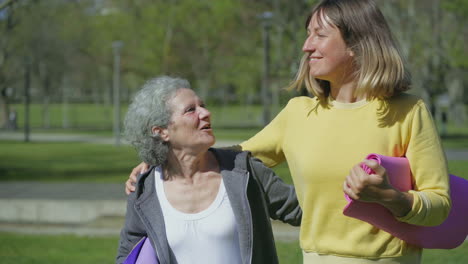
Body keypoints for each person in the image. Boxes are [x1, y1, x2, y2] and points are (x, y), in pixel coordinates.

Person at [126, 0, 451, 263]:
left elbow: (440, 206)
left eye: (319, 35)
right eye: (307, 34)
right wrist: (160, 166)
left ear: (355, 44)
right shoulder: (298, 113)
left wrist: (389, 198)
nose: (306, 46)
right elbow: (232, 159)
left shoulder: (408, 112)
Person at [116, 76, 301, 264]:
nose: (205, 113)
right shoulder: (144, 190)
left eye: (202, 105)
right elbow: (128, 254)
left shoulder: (244, 171)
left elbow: (303, 210)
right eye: (190, 110)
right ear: (161, 131)